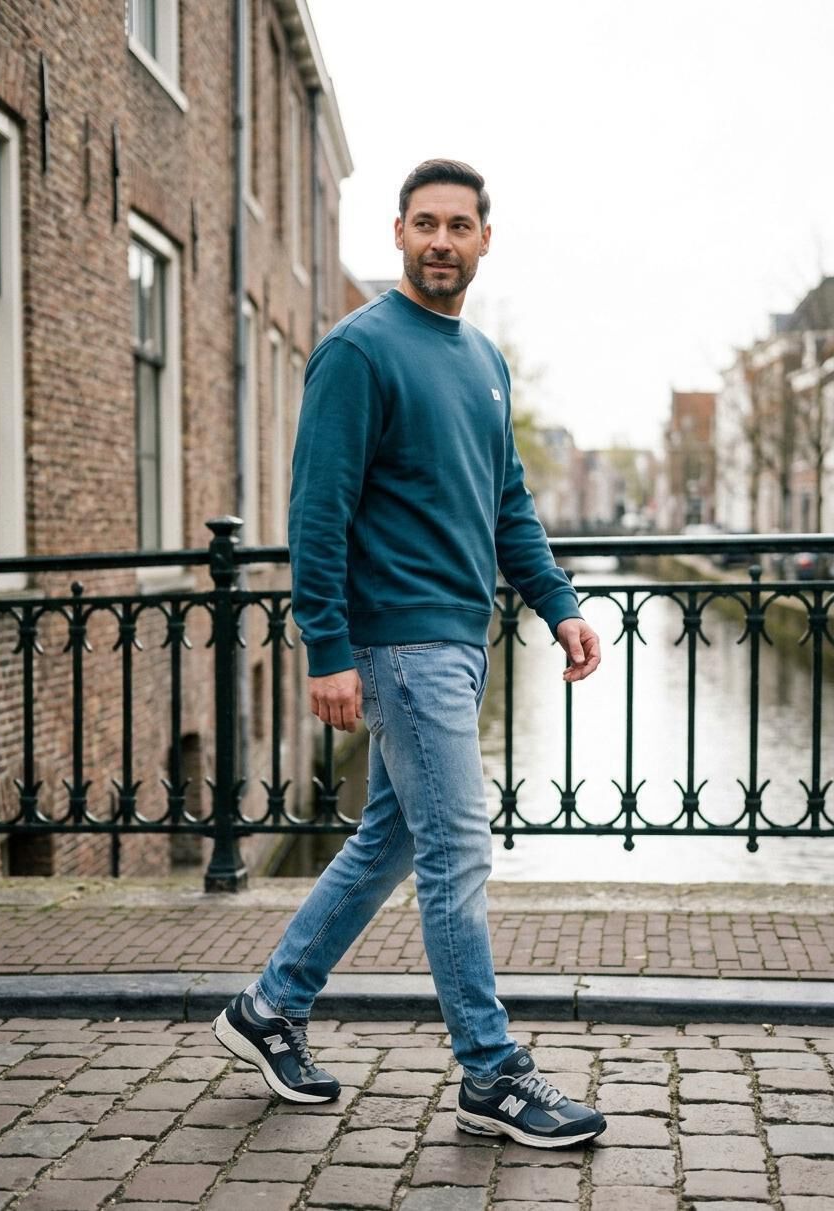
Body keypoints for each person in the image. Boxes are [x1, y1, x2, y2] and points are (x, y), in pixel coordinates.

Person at [214, 159, 605, 1148]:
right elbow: (317, 510)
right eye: (424, 222)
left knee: (387, 839)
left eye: (458, 225)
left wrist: (557, 602)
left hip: (460, 639)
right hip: (399, 641)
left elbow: (506, 501)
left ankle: (269, 1005)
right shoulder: (359, 350)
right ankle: (490, 1072)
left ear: (483, 241)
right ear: (398, 233)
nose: (441, 240)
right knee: (457, 850)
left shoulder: (483, 358)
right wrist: (326, 646)